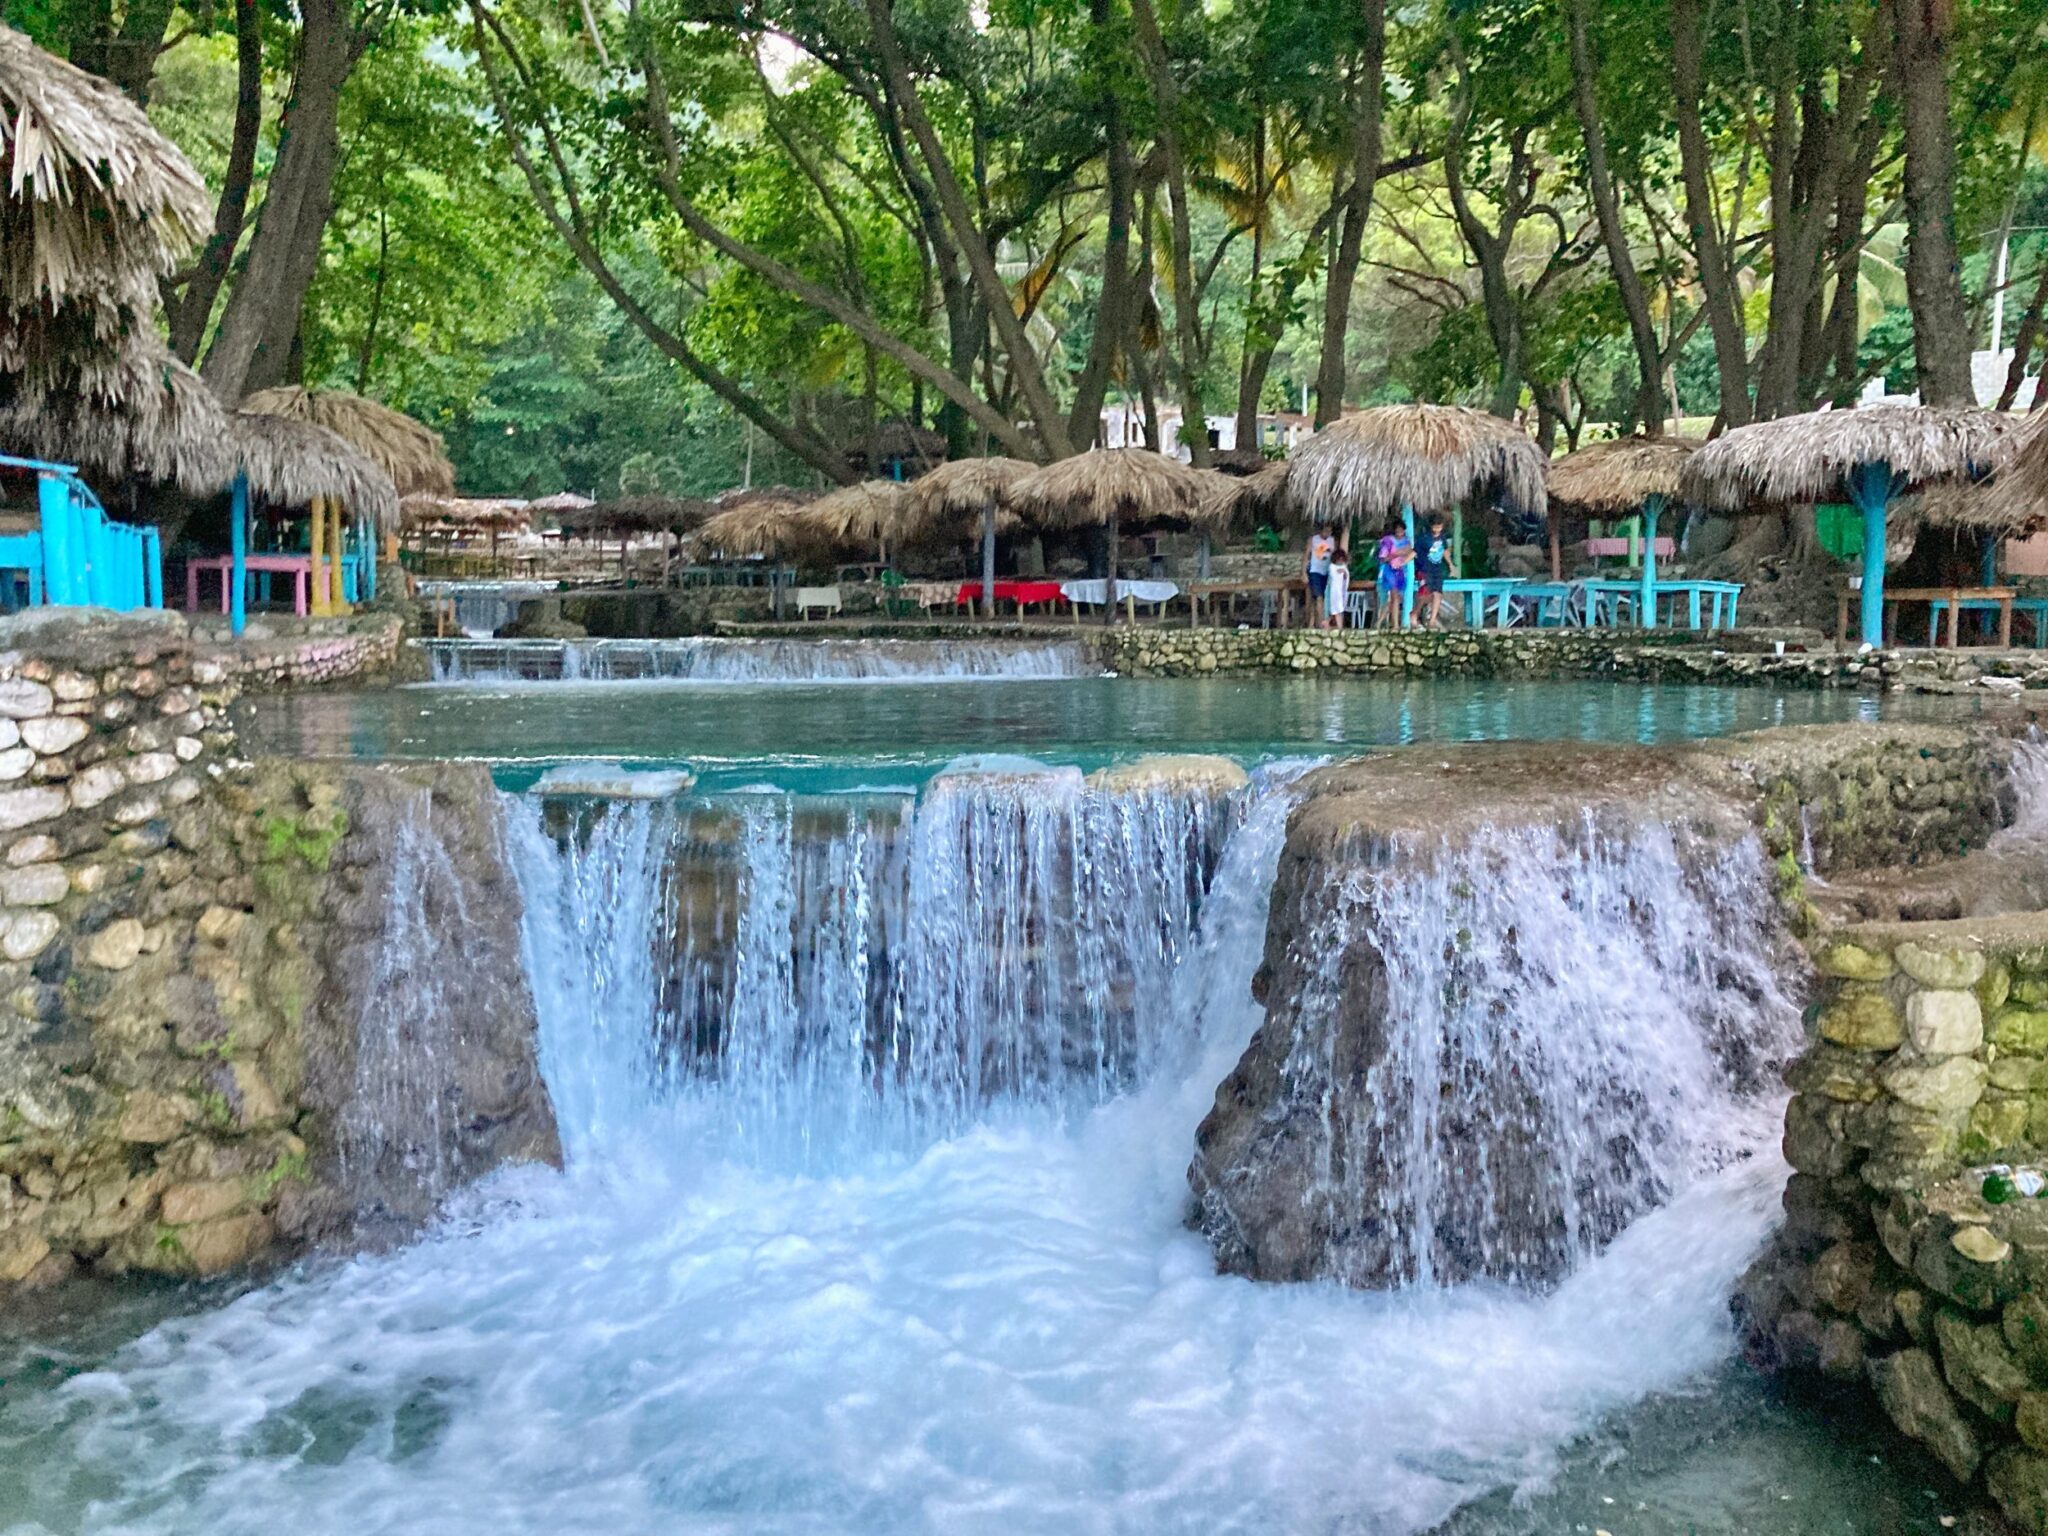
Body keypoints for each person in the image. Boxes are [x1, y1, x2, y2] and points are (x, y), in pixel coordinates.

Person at [1414, 511, 1454, 630]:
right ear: (1430, 526)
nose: (1437, 529)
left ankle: (1432, 620)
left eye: (1440, 527)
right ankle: (1415, 614)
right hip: (1425, 570)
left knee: (1438, 594)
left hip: (1437, 570)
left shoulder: (1442, 537)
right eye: (1435, 527)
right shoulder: (1423, 539)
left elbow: (1445, 551)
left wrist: (1450, 564)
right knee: (1425, 595)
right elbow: (1415, 553)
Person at [1374, 518, 1411, 629]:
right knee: (1394, 597)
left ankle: (1380, 622)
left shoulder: (1406, 541)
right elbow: (1383, 558)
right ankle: (1395, 625)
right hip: (1389, 571)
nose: (1399, 532)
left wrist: (1396, 554)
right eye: (1397, 530)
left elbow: (1408, 551)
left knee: (1396, 599)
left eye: (1401, 530)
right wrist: (1396, 554)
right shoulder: (1387, 540)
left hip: (1400, 571)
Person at [1304, 524, 1336, 628]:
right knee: (1319, 597)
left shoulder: (1332, 541)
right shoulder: (1313, 540)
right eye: (1325, 531)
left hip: (1326, 572)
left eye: (1329, 532)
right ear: (1321, 530)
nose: (1327, 534)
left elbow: (1335, 555)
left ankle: (1315, 622)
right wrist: (1303, 572)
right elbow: (1306, 555)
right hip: (1315, 571)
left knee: (1322, 599)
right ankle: (1321, 623)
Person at [1326, 542, 1352, 628]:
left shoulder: (1344, 567)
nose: (1340, 561)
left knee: (1339, 609)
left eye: (1342, 559)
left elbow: (1346, 577)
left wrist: (1344, 572)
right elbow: (1334, 575)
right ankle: (1338, 626)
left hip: (1341, 592)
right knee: (1335, 609)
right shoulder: (1331, 567)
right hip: (1333, 592)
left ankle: (1334, 625)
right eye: (1339, 559)